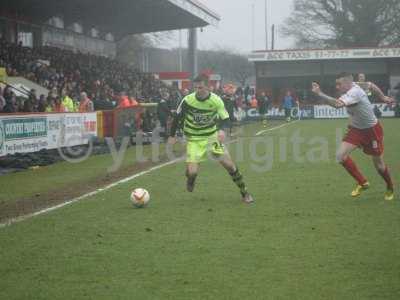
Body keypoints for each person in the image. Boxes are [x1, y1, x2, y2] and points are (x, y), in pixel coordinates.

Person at [168, 74, 254, 204]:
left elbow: (225, 119)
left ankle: (245, 193)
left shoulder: (216, 100)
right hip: (194, 139)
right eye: (196, 87)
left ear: (208, 87)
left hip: (211, 137)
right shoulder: (188, 100)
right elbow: (177, 118)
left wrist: (222, 130)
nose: (198, 90)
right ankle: (191, 178)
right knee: (192, 173)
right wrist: (172, 136)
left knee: (230, 166)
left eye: (201, 87)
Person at [311, 72, 395, 201]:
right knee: (340, 156)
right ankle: (363, 183)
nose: (337, 87)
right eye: (336, 84)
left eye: (339, 84)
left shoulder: (355, 92)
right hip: (356, 130)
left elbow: (337, 105)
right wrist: (383, 97)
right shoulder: (356, 85)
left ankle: (390, 187)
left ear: (347, 83)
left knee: (379, 165)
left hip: (371, 130)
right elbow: (371, 85)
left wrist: (320, 93)